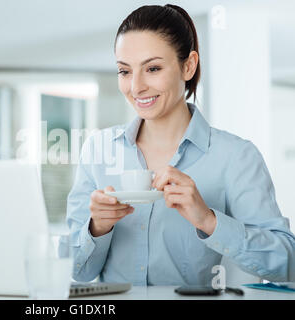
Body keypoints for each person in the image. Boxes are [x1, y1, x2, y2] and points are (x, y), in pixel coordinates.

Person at [65, 4, 295, 286]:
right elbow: (78, 271)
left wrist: (209, 220)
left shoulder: (236, 157)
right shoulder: (98, 150)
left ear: (188, 65)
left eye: (153, 68)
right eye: (124, 71)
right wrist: (97, 228)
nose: (136, 87)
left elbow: (288, 262)